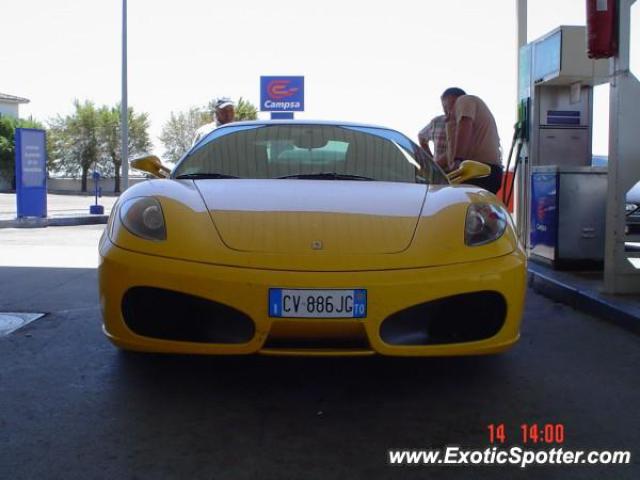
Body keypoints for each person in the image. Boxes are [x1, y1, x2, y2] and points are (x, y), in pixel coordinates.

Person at [440, 87, 503, 193]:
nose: (446, 113)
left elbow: (465, 124)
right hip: (482, 171)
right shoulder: (461, 118)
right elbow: (450, 153)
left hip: (478, 171)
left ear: (451, 99)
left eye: (445, 107)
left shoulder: (464, 100)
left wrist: (458, 161)